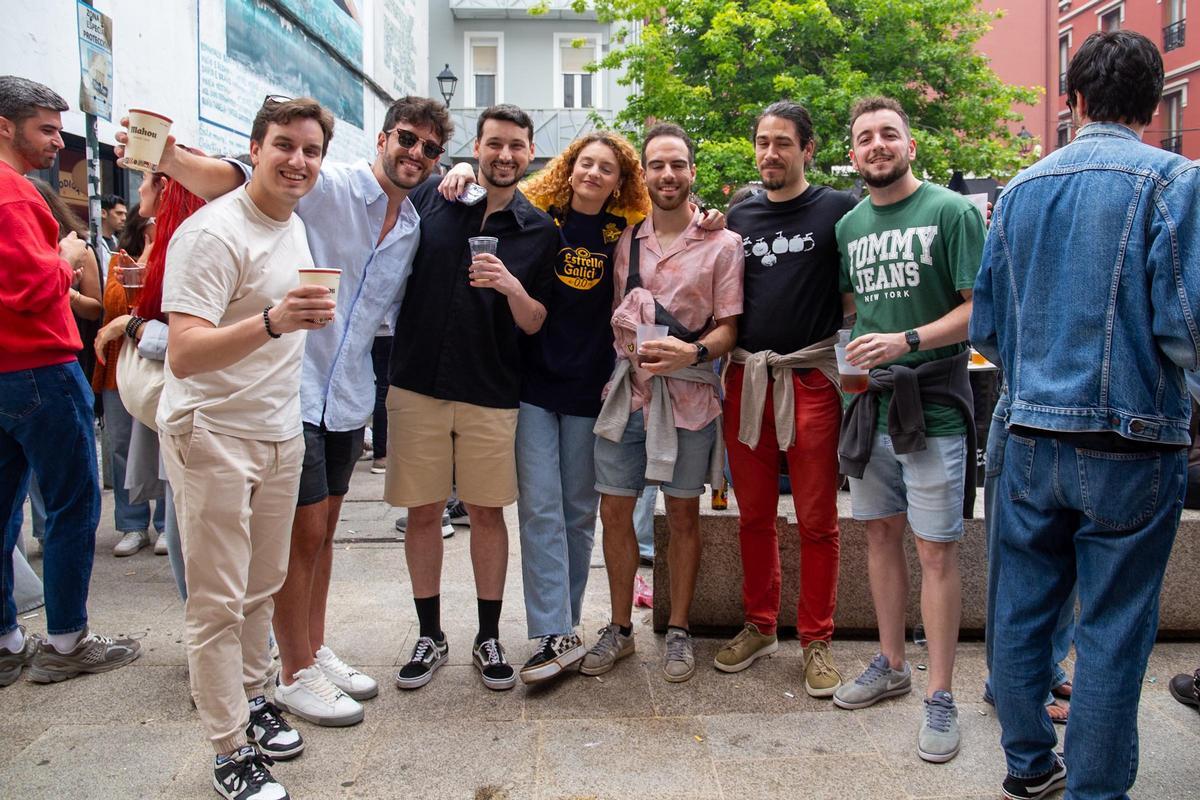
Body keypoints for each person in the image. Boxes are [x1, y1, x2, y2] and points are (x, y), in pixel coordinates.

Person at [123, 95, 453, 724]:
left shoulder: (412, 222)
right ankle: (291, 668)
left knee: (324, 533)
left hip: (347, 391)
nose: (416, 154)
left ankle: (312, 648)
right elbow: (242, 177)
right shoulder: (328, 187)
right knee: (296, 538)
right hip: (287, 386)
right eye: (407, 140)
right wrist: (167, 158)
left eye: (430, 149)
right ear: (383, 139)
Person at [971, 31, 1200, 800]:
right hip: (1133, 442)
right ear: (1151, 102)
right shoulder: (1175, 181)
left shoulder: (1022, 189)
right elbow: (1188, 328)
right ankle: (1096, 792)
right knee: (1112, 628)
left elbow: (989, 328)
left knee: (1022, 611)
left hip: (1031, 436)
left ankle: (1029, 766)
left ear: (1072, 102)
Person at [155, 96, 338, 799]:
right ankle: (228, 746)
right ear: (255, 149)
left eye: (311, 150)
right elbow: (185, 353)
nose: (298, 161)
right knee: (217, 601)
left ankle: (256, 697)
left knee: (262, 587)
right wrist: (272, 320)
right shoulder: (211, 233)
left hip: (276, 430)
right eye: (285, 145)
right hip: (214, 432)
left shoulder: (291, 225)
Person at [439, 130, 653, 684]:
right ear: (568, 166)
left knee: (578, 513)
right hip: (532, 385)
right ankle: (551, 629)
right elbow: (485, 194)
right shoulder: (539, 218)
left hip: (592, 391)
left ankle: (566, 624)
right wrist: (461, 169)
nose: (594, 175)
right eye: (586, 164)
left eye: (607, 169)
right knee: (538, 509)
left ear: (621, 180)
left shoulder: (625, 234)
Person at [832, 96, 984, 765]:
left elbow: (982, 311)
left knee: (938, 552)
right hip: (873, 409)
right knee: (880, 536)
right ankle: (891, 662)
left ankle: (942, 694)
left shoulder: (951, 212)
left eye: (889, 134)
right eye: (865, 137)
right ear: (853, 152)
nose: (877, 145)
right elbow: (852, 309)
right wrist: (855, 356)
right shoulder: (850, 225)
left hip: (938, 406)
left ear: (910, 145)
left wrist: (907, 339)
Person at [387, 104, 558, 692]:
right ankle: (429, 634)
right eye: (493, 145)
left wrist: (511, 285)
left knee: (487, 512)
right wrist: (448, 174)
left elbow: (536, 322)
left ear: (530, 152)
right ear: (477, 149)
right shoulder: (435, 197)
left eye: (515, 146)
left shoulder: (539, 231)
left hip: (491, 388)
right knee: (424, 513)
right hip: (418, 380)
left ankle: (489, 636)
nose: (504, 155)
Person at [583, 123, 743, 683]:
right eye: (657, 165)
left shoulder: (724, 243)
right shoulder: (627, 240)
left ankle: (679, 630)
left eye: (677, 164)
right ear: (644, 173)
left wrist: (691, 350)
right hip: (627, 396)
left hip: (690, 399)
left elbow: (729, 329)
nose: (668, 174)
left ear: (692, 171)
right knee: (614, 510)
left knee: (681, 515)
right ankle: (620, 628)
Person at [0, 75, 140, 687]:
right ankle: (66, 639)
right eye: (47, 129)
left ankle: (8, 639)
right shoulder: (15, 195)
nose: (59, 141)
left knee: (8, 510)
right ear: (6, 126)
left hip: (10, 372)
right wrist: (66, 255)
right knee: (73, 503)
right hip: (39, 367)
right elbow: (31, 289)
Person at [717, 101, 857, 697]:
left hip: (810, 380)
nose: (769, 153)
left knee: (818, 520)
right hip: (745, 380)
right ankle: (760, 624)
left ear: (808, 148)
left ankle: (817, 640)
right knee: (752, 515)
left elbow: (858, 290)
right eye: (761, 142)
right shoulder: (736, 215)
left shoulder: (839, 210)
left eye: (782, 142)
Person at [93, 174, 207, 599]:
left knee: (194, 541)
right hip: (175, 408)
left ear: (167, 191)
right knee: (187, 540)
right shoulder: (164, 249)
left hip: (194, 410)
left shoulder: (187, 249)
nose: (137, 190)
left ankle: (238, 648)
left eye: (145, 181)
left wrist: (132, 323)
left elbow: (185, 341)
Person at [93, 171, 168, 558]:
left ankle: (165, 526)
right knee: (122, 446)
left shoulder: (176, 253)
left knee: (164, 446)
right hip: (119, 366)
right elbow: (113, 307)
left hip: (157, 363)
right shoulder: (120, 262)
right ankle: (132, 524)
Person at [97, 192, 127, 283]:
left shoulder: (117, 242)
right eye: (119, 213)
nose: (124, 218)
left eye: (125, 214)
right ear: (103, 213)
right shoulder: (91, 242)